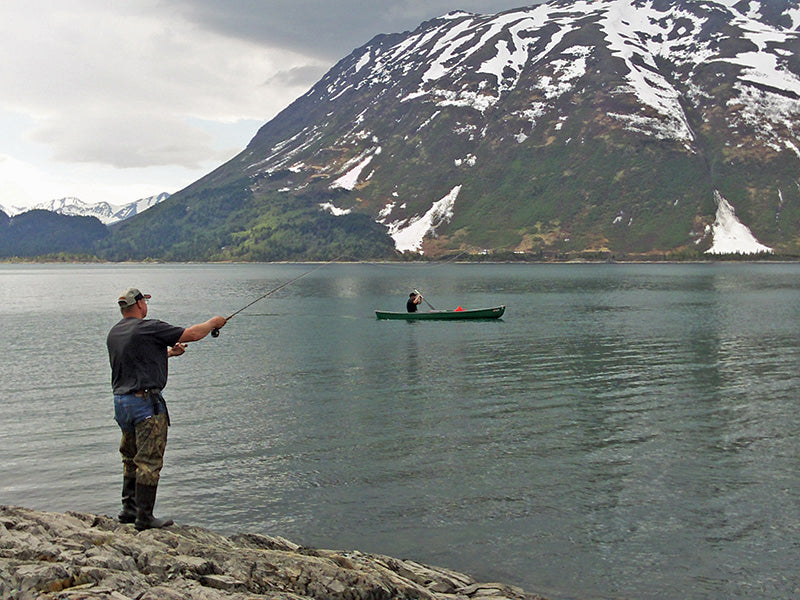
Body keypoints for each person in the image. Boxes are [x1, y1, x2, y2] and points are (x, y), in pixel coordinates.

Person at [106, 287, 227, 530]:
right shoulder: (149, 327)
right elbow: (191, 334)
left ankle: (128, 511)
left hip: (122, 404)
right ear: (139, 305)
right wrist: (214, 322)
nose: (146, 306)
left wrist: (169, 354)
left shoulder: (115, 332)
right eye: (145, 302)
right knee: (149, 461)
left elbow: (135, 361)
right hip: (145, 404)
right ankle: (145, 517)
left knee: (129, 457)